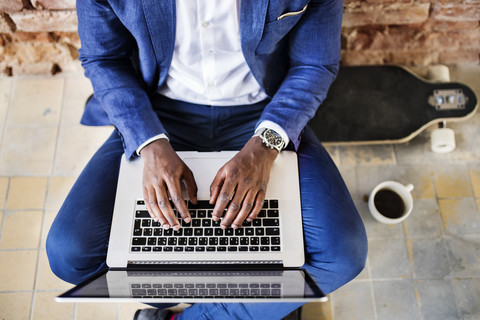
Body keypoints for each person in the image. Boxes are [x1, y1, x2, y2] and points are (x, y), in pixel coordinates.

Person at [46, 0, 368, 319]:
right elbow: (102, 58)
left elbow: (314, 66)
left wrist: (266, 146)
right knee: (67, 253)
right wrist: (149, 143)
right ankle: (214, 308)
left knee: (343, 254)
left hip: (263, 116)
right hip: (159, 115)